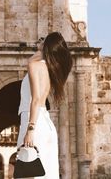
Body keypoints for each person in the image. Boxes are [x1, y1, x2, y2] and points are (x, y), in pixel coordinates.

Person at [17, 32, 72, 178]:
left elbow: (35, 100)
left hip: (34, 121)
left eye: (44, 40)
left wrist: (30, 130)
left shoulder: (35, 65)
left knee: (28, 172)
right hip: (44, 123)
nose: (40, 40)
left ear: (46, 46)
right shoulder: (49, 67)